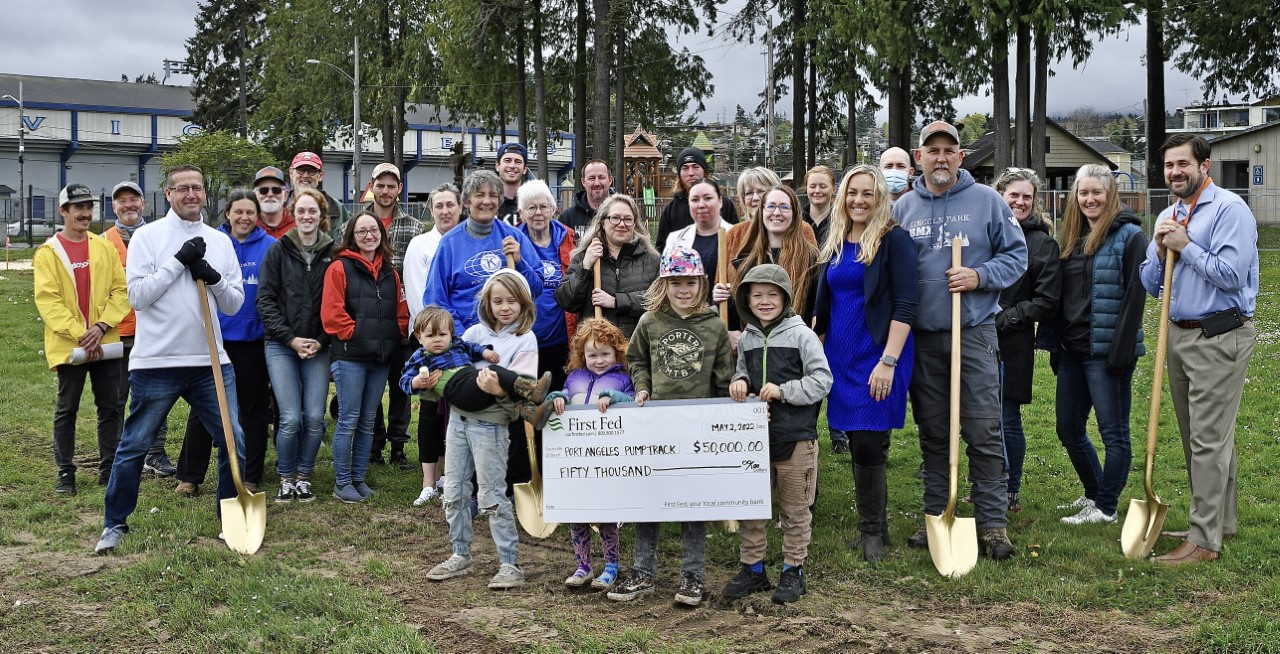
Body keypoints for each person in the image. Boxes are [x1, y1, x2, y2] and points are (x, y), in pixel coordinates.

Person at [892, 121, 1027, 561]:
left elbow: (1017, 256)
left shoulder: (987, 202)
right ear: (919, 158)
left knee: (984, 429)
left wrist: (979, 275)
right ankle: (937, 515)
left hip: (973, 333)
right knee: (933, 432)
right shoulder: (902, 209)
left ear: (961, 157)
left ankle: (991, 523)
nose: (942, 157)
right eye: (933, 151)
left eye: (950, 150)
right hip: (924, 337)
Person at [95, 165, 247, 554]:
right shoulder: (147, 238)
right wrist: (178, 261)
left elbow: (233, 304)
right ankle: (115, 524)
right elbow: (138, 297)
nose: (191, 194)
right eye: (183, 188)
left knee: (235, 442)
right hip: (155, 361)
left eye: (197, 187)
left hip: (210, 361)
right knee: (134, 445)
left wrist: (210, 275)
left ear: (205, 194)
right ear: (168, 193)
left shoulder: (220, 240)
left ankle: (231, 522)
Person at [1140, 134, 1259, 565]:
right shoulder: (1169, 213)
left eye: (1183, 164)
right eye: (1169, 166)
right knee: (1201, 438)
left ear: (1204, 166)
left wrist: (1185, 247)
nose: (1175, 172)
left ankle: (1204, 541)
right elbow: (1152, 285)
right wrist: (1158, 249)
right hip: (1180, 335)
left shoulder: (1230, 210)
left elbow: (1230, 275)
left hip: (1219, 335)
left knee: (1208, 439)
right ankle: (1217, 521)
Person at [609, 246, 732, 607]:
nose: (683, 289)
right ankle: (643, 572)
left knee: (692, 505)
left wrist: (726, 416)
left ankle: (693, 576)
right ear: (664, 283)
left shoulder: (714, 325)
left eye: (690, 282)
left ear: (701, 283)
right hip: (657, 424)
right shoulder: (650, 322)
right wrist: (643, 387)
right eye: (675, 282)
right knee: (652, 501)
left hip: (696, 427)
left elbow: (723, 376)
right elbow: (636, 359)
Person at [814, 165, 918, 562]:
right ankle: (877, 528)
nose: (859, 200)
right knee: (857, 440)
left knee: (871, 440)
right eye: (852, 193)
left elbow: (907, 304)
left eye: (867, 194)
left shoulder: (895, 241)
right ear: (843, 197)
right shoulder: (837, 240)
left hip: (877, 353)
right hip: (839, 354)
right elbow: (826, 302)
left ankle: (871, 532)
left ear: (880, 199)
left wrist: (889, 361)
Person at [1040, 164, 1146, 526]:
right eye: (1083, 193)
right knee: (1068, 427)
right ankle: (1094, 492)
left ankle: (1106, 507)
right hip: (1072, 351)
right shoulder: (1072, 236)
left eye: (1096, 192)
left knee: (1114, 433)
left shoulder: (1130, 236)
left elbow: (1135, 296)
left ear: (1110, 194)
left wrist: (1121, 351)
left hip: (1107, 354)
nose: (1089, 199)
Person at [722, 264, 832, 604]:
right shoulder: (748, 338)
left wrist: (784, 391)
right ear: (747, 300)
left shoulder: (802, 335)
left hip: (795, 436)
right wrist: (739, 383)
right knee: (752, 505)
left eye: (772, 295)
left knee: (795, 509)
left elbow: (822, 380)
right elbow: (742, 374)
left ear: (785, 297)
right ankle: (753, 569)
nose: (765, 301)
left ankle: (792, 570)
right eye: (757, 295)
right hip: (755, 439)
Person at [425, 269, 537, 590]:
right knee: (456, 488)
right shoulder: (472, 334)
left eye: (511, 301)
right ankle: (460, 553)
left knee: (490, 492)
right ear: (486, 302)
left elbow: (524, 385)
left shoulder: (524, 339)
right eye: (497, 300)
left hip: (491, 424)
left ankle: (509, 563)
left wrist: (501, 389)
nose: (504, 308)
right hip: (459, 420)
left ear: (523, 303)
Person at [174, 189, 277, 496]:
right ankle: (190, 477)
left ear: (257, 216)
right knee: (206, 408)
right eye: (238, 211)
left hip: (253, 342)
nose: (244, 217)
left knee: (252, 410)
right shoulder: (212, 243)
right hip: (214, 338)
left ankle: (249, 475)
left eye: (250, 212)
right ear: (227, 214)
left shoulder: (271, 247)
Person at [35, 184, 130, 495]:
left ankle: (109, 470)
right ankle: (66, 473)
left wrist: (101, 326)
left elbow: (121, 291)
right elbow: (49, 302)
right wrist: (81, 334)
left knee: (111, 408)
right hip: (70, 345)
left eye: (89, 207)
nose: (86, 213)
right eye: (78, 207)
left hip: (106, 341)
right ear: (64, 211)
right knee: (67, 409)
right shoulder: (48, 253)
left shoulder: (103, 247)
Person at [321, 212, 410, 503]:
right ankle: (342, 482)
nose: (369, 235)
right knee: (349, 418)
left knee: (368, 419)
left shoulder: (390, 272)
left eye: (373, 230)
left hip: (380, 358)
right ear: (352, 236)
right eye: (362, 231)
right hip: (350, 357)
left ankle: (358, 478)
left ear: (381, 235)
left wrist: (395, 334)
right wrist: (357, 335)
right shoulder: (339, 267)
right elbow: (332, 315)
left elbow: (400, 311)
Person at [542, 318, 635, 590]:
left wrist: (617, 398)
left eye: (605, 354)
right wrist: (556, 398)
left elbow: (635, 405)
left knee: (606, 514)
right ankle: (583, 565)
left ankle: (611, 566)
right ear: (582, 356)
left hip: (607, 458)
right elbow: (564, 399)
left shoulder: (622, 379)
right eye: (592, 355)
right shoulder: (574, 379)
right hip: (576, 459)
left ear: (617, 353)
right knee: (576, 512)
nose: (598, 360)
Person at [257, 188, 335, 503]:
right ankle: (286, 476)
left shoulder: (333, 252)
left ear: (321, 215)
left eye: (312, 211)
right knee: (290, 418)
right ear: (294, 213)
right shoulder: (278, 251)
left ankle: (304, 475)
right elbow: (265, 301)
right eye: (301, 211)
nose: (306, 216)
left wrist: (320, 340)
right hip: (281, 345)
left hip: (319, 345)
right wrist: (290, 339)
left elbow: (338, 302)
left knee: (315, 417)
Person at [992, 168, 1061, 513]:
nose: (1019, 202)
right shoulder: (986, 234)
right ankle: (990, 482)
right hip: (978, 337)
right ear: (1000, 195)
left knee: (1006, 416)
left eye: (1026, 197)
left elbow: (1047, 300)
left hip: (1013, 341)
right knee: (980, 417)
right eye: (1013, 195)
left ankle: (1010, 489)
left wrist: (1006, 317)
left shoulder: (1041, 243)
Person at [104, 181, 177, 479]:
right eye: (122, 201)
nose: (128, 205)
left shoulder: (159, 238)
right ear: (114, 207)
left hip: (153, 329)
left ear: (143, 204)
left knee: (155, 395)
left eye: (134, 199)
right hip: (117, 332)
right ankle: (119, 455)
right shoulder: (103, 242)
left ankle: (155, 453)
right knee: (117, 398)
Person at [424, 169, 543, 335]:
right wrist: (463, 339)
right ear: (466, 201)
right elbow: (435, 300)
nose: (487, 201)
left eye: (493, 195)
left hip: (508, 341)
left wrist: (520, 263)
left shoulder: (514, 237)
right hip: (465, 343)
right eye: (479, 195)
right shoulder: (450, 243)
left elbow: (536, 290)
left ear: (499, 200)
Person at [402, 183, 463, 505]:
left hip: (461, 342)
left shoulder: (467, 241)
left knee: (457, 413)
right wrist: (428, 337)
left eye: (450, 205)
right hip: (431, 342)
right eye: (438, 206)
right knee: (430, 411)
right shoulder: (420, 244)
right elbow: (416, 291)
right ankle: (429, 479)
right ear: (431, 210)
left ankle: (451, 476)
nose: (445, 211)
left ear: (459, 207)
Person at [365, 162, 422, 470]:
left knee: (402, 386)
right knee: (372, 386)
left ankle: (398, 447)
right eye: (380, 185)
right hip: (370, 323)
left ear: (399, 189)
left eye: (391, 186)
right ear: (371, 186)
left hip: (401, 320)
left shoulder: (413, 227)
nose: (385, 191)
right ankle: (374, 446)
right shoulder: (359, 223)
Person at [401, 305, 551, 422]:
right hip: (457, 390)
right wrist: (416, 382)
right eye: (430, 335)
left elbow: (472, 348)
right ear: (419, 337)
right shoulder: (420, 357)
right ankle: (532, 390)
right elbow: (404, 380)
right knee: (493, 371)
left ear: (451, 334)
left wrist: (485, 352)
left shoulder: (457, 344)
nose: (437, 339)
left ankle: (533, 414)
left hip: (472, 383)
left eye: (442, 334)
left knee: (499, 386)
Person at [554, 193, 661, 339]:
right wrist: (585, 267)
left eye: (628, 219)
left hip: (638, 350)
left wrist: (616, 301)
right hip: (598, 349)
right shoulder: (585, 257)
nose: (621, 224)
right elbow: (565, 301)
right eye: (615, 218)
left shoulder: (651, 260)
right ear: (603, 222)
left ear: (635, 224)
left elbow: (659, 301)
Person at [727, 185, 820, 351]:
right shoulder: (746, 262)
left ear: (794, 213)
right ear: (762, 211)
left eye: (784, 207)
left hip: (796, 354)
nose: (777, 212)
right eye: (771, 206)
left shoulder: (811, 260)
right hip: (756, 355)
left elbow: (819, 310)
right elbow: (737, 317)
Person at [517, 179, 575, 393]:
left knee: (558, 399)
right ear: (522, 212)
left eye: (543, 206)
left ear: (553, 209)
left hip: (561, 338)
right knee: (526, 402)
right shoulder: (514, 241)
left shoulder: (569, 239)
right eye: (531, 207)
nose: (538, 212)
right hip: (524, 340)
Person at [663, 179, 734, 309]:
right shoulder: (675, 239)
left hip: (728, 321)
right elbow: (666, 283)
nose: (701, 205)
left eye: (707, 198)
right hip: (689, 319)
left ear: (720, 201)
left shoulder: (736, 236)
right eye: (695, 200)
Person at [654, 147, 739, 250]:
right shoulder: (671, 210)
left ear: (705, 171)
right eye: (685, 168)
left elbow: (737, 243)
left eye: (695, 167)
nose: (690, 173)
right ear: (679, 175)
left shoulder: (724, 204)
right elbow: (662, 249)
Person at [289, 151, 348, 239]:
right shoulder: (280, 206)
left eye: (311, 171)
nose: (305, 175)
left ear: (320, 175)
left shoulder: (337, 208)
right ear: (291, 173)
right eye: (300, 170)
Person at [560, 159, 613, 239]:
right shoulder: (568, 218)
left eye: (601, 177)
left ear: (610, 180)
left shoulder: (622, 216)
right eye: (591, 178)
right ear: (583, 181)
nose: (597, 183)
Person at [253, 166, 295, 239]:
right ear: (255, 195)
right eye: (263, 190)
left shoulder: (298, 224)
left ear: (285, 195)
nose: (270, 194)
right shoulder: (248, 224)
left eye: (276, 190)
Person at [802, 165, 836, 247]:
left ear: (833, 189)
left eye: (823, 186)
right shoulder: (796, 220)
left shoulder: (843, 220)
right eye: (812, 186)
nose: (817, 191)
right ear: (806, 188)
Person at [494, 142, 528, 226]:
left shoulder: (531, 203)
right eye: (507, 160)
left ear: (525, 169)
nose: (512, 166)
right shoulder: (487, 201)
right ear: (497, 166)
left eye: (518, 162)